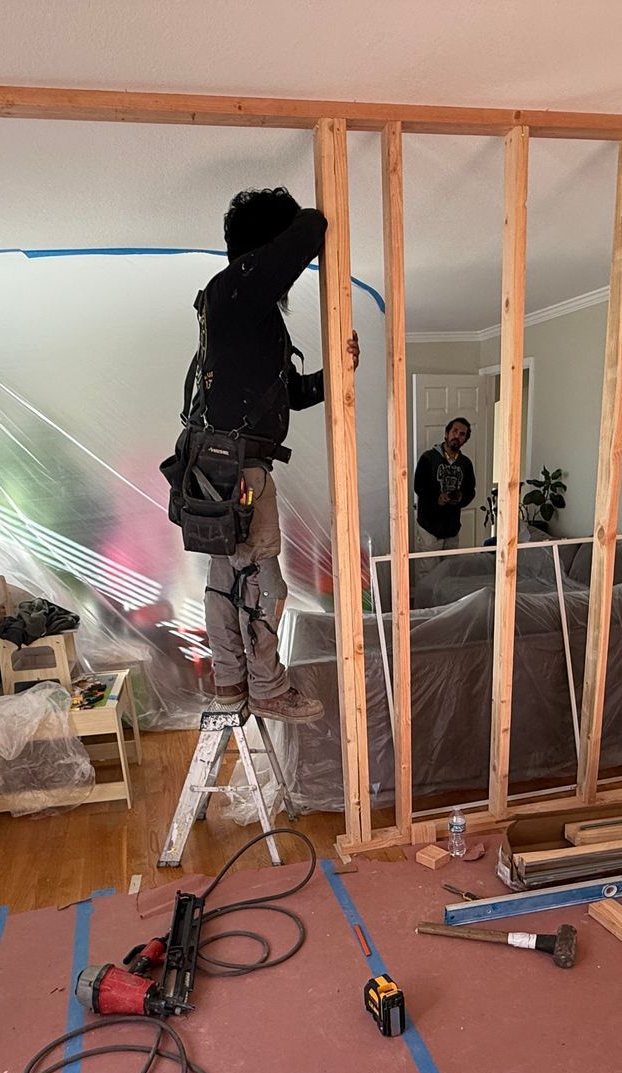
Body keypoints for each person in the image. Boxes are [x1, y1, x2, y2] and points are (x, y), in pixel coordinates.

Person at [192, 186, 357, 723]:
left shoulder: (247, 316)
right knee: (264, 581)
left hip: (218, 462)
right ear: (266, 245)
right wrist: (297, 223)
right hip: (238, 467)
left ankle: (230, 683)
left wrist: (336, 374)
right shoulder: (236, 288)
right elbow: (311, 228)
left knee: (227, 579)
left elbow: (292, 395)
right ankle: (266, 688)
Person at [413, 418, 477, 549]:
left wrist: (460, 498)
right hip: (428, 528)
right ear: (447, 433)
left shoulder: (466, 464)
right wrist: (437, 498)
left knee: (450, 568)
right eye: (455, 431)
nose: (457, 436)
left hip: (452, 529)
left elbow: (470, 490)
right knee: (428, 568)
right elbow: (419, 486)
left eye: (462, 434)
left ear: (465, 440)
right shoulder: (428, 458)